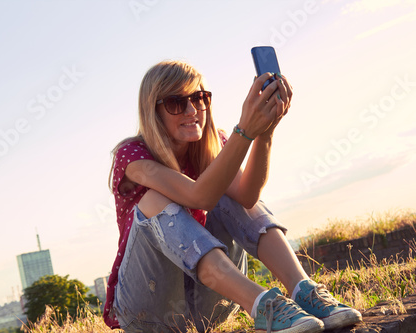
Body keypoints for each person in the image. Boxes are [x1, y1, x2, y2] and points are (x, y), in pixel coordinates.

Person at [104, 60, 362, 333]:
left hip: (208, 307)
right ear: (153, 111)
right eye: (176, 103)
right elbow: (198, 196)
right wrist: (245, 131)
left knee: (226, 189)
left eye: (199, 98)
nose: (192, 111)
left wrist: (264, 133)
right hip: (150, 312)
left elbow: (248, 197)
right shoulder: (133, 155)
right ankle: (264, 304)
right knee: (155, 201)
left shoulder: (213, 145)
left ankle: (303, 290)